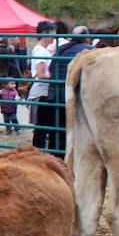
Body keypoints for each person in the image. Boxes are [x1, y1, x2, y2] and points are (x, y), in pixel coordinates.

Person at [49, 25, 93, 155]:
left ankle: (56, 157)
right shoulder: (90, 51)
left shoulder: (60, 49)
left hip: (57, 96)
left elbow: (51, 70)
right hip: (77, 97)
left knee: (57, 131)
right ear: (86, 37)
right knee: (77, 129)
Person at [29, 21, 57, 151]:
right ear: (45, 33)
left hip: (43, 91)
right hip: (42, 92)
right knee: (41, 127)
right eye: (53, 32)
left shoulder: (42, 50)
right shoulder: (41, 51)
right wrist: (53, 77)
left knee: (43, 126)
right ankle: (37, 154)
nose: (54, 35)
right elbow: (40, 74)